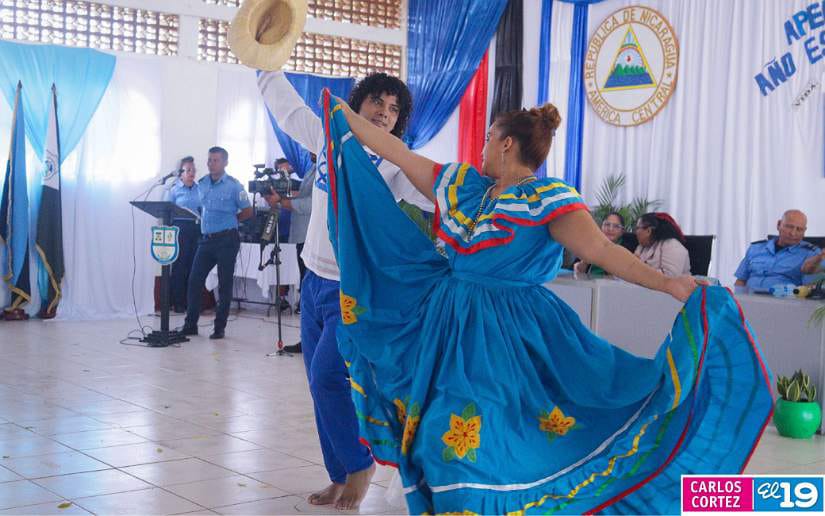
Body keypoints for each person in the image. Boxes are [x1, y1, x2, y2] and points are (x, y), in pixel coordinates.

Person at [323, 91, 772, 515]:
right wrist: (344, 115)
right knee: (443, 431)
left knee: (474, 437)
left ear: (507, 144)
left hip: (509, 336)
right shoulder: (468, 189)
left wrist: (666, 283)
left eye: (488, 138)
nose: (481, 147)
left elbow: (603, 250)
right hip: (448, 327)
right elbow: (399, 152)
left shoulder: (547, 199)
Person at [258, 71, 432, 510]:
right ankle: (338, 474)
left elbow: (433, 191)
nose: (384, 114)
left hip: (351, 292)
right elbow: (288, 110)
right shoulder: (328, 136)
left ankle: (360, 466)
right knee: (318, 384)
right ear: (358, 103)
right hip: (313, 281)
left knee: (326, 376)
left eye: (393, 109)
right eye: (377, 102)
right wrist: (264, 65)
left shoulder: (393, 162)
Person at [181, 147, 252, 339]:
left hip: (227, 240)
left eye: (216, 160)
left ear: (225, 163)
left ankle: (219, 327)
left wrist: (230, 222)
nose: (211, 164)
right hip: (206, 240)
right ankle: (190, 325)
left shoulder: (234, 186)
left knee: (224, 284)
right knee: (194, 281)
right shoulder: (202, 183)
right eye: (209, 160)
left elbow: (248, 211)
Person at [266, 153, 317, 353]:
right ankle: (308, 338)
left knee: (311, 291)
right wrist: (281, 199)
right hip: (303, 237)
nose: (308, 152)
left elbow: (310, 204)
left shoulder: (325, 169)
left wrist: (282, 202)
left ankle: (313, 340)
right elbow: (303, 197)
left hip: (312, 238)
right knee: (307, 291)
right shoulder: (312, 169)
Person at [735, 209, 824, 290]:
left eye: (799, 229)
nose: (793, 233)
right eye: (789, 227)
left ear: (804, 231)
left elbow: (810, 286)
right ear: (779, 225)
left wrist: (819, 259)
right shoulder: (755, 248)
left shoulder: (812, 254)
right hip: (748, 299)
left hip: (784, 301)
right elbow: (741, 281)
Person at [164, 156, 201, 313]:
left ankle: (191, 303)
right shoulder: (174, 190)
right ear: (180, 173)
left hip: (197, 228)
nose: (192, 173)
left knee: (194, 267)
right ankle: (178, 302)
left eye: (193, 170)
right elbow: (166, 211)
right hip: (180, 229)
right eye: (188, 170)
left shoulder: (200, 189)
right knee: (180, 266)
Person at [633, 212, 691, 277]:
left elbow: (669, 276)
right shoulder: (641, 246)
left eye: (637, 228)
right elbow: (632, 267)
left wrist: (640, 271)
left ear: (648, 231)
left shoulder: (672, 245)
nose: (635, 232)